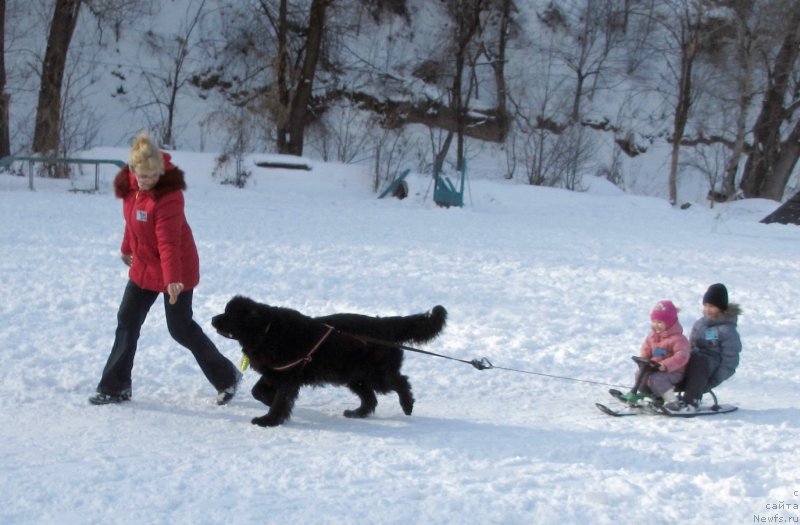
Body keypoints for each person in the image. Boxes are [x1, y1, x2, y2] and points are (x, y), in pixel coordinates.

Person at [89, 132, 241, 406]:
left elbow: (168, 242)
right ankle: (115, 387)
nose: (146, 181)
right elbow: (132, 223)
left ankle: (226, 376)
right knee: (127, 320)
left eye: (151, 176)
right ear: (133, 169)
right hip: (145, 265)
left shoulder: (169, 197)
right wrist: (126, 248)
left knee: (180, 328)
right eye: (141, 175)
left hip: (177, 268)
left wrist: (172, 280)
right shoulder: (131, 187)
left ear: (160, 170)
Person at [664, 283, 742, 414]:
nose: (708, 309)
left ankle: (691, 401)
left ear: (721, 308)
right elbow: (690, 346)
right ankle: (660, 394)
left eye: (712, 306)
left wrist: (713, 381)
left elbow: (730, 361)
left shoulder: (728, 331)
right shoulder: (700, 324)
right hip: (695, 362)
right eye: (706, 305)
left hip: (709, 367)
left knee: (699, 361)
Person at [630, 300, 690, 405]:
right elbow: (646, 349)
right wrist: (644, 359)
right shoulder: (652, 337)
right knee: (640, 375)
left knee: (657, 379)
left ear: (670, 322)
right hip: (654, 368)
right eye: (654, 321)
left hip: (674, 371)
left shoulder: (679, 339)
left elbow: (681, 357)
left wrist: (665, 365)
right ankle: (651, 397)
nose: (656, 325)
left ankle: (671, 401)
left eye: (660, 322)